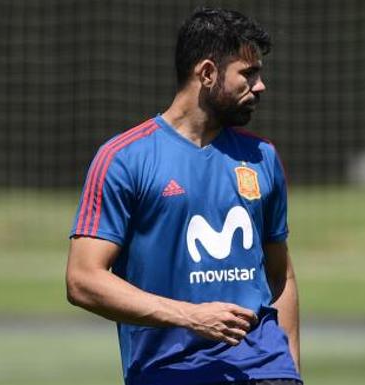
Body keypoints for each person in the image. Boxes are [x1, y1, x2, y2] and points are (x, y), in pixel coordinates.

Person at [66, 7, 301, 385]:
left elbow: (281, 275)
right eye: (248, 73)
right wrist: (190, 315)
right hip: (169, 371)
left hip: (264, 369)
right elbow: (82, 280)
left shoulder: (263, 157)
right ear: (207, 73)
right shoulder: (124, 159)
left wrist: (290, 368)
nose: (260, 86)